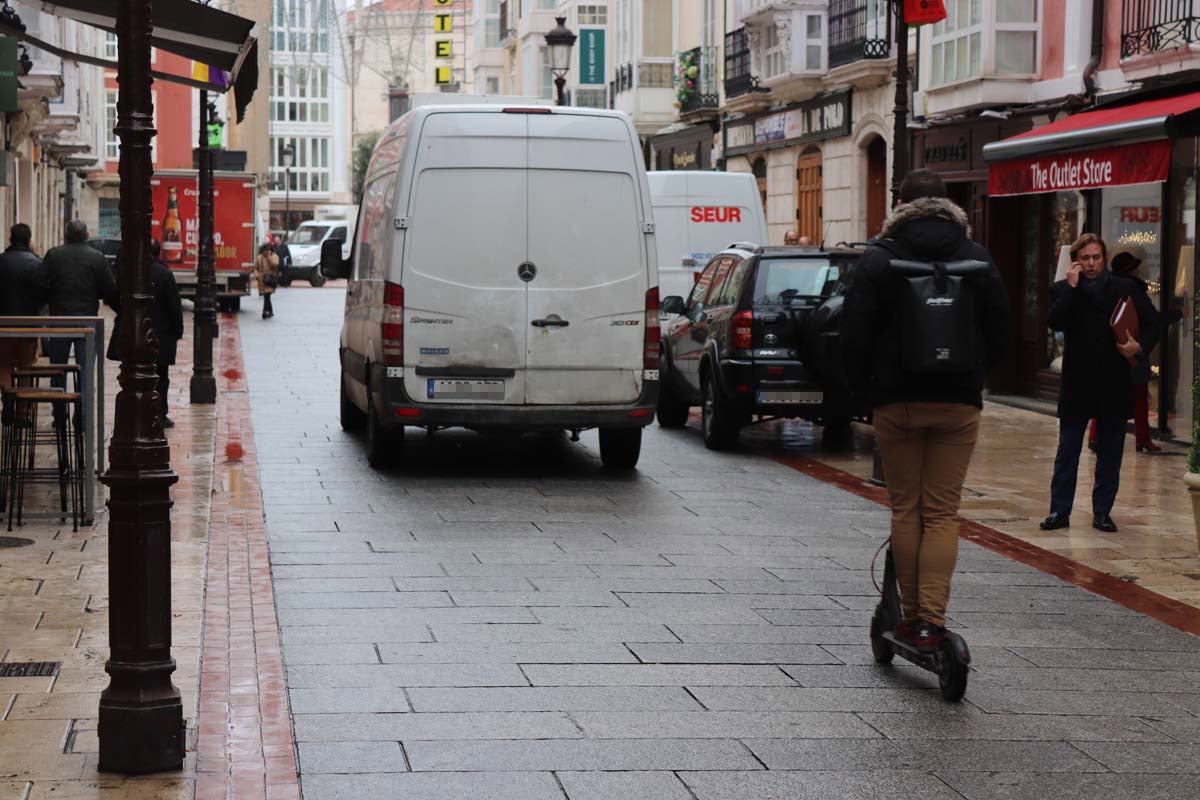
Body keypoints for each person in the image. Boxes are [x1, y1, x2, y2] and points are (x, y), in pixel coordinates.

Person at [841, 169, 1009, 652]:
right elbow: (1000, 330)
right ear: (949, 205)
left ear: (899, 204)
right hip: (958, 403)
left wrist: (863, 393)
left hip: (897, 403)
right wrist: (973, 374)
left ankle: (908, 618)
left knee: (906, 510)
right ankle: (931, 620)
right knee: (941, 513)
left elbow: (854, 334)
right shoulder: (977, 257)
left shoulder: (879, 259)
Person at [1040, 234, 1160, 534]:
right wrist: (1070, 288)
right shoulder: (1063, 290)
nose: (1092, 263)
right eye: (1085, 258)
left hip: (1113, 381)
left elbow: (1153, 322)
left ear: (1103, 258)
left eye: (1096, 257)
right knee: (1067, 449)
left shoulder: (1124, 288)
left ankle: (1103, 511)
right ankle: (1059, 510)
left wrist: (1139, 347)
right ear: (1076, 262)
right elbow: (1054, 322)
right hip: (1077, 382)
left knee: (1111, 452)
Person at [1086, 248, 1180, 454]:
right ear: (1131, 271)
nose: (1140, 271)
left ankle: (1095, 436)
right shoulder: (1133, 288)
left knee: (1104, 395)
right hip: (1131, 351)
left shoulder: (1104, 287)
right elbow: (1153, 319)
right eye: (1136, 268)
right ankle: (1143, 438)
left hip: (1109, 353)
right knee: (1139, 396)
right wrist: (1177, 314)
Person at [43, 220, 120, 407]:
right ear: (86, 236)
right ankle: (83, 420)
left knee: (57, 371)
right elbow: (110, 289)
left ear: (66, 235)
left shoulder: (53, 255)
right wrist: (121, 311)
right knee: (85, 373)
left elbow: (41, 285)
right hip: (87, 321)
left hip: (60, 320)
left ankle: (59, 417)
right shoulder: (97, 257)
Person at [108, 240, 184, 427]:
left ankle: (133, 411)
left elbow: (112, 296)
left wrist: (124, 313)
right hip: (161, 334)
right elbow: (174, 306)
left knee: (131, 373)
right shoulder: (164, 274)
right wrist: (177, 330)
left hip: (132, 331)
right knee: (161, 376)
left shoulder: (128, 273)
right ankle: (159, 412)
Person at [0, 223, 48, 390]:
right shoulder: (38, 264)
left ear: (10, 239)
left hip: (3, 326)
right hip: (29, 326)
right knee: (26, 368)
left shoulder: (1, 261)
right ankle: (22, 411)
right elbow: (43, 295)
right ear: (29, 240)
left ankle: (6, 404)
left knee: (4, 365)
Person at [255, 243, 280, 319]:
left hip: (270, 279)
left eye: (266, 251)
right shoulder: (259, 258)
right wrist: (256, 274)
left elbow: (275, 264)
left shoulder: (274, 256)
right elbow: (256, 268)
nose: (264, 252)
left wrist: (269, 257)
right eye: (264, 251)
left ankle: (265, 311)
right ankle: (270, 311)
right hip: (262, 280)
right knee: (266, 297)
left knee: (267, 295)